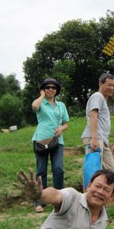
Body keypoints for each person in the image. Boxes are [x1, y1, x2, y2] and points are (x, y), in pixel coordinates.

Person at [15, 168, 114, 229]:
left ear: (111, 197)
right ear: (89, 186)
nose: (100, 192)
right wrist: (40, 194)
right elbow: (55, 195)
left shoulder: (103, 220)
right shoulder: (73, 197)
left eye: (106, 190)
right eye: (98, 186)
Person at [31, 78, 70, 213]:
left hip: (57, 141)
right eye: (47, 87)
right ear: (43, 89)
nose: (51, 89)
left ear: (56, 90)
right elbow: (34, 107)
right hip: (41, 140)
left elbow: (66, 123)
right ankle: (39, 201)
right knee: (41, 171)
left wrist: (61, 129)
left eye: (53, 87)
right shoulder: (41, 103)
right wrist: (42, 95)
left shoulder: (61, 106)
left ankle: (58, 199)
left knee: (58, 169)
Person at [81, 73, 114, 174]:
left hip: (102, 140)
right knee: (93, 171)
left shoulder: (103, 100)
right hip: (95, 138)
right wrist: (94, 138)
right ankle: (89, 190)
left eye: (113, 86)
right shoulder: (97, 96)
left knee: (110, 172)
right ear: (100, 84)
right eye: (109, 85)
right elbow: (93, 116)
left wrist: (106, 142)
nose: (112, 88)